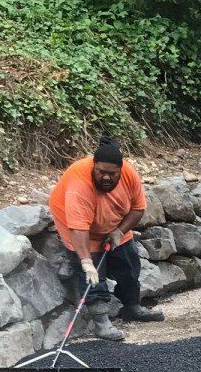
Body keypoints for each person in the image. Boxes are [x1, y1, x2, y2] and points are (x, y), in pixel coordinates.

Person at [49, 136, 163, 341]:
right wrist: (86, 262)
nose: (106, 177)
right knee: (93, 276)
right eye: (101, 172)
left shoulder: (129, 175)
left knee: (129, 264)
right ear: (94, 166)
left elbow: (138, 209)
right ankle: (101, 322)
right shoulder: (79, 185)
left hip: (115, 224)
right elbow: (78, 229)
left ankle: (132, 307)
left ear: (121, 170)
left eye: (112, 174)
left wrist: (119, 232)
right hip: (79, 229)